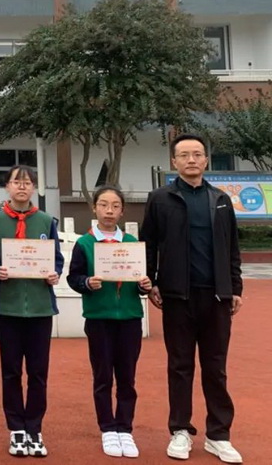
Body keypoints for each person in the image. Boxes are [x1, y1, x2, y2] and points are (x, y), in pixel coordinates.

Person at [141, 133, 243, 464]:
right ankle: (180, 431)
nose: (191, 160)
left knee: (216, 367)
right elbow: (148, 243)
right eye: (184, 155)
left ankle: (218, 435)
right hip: (177, 297)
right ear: (174, 161)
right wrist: (151, 281)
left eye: (197, 154)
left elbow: (232, 247)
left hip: (216, 297)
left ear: (206, 159)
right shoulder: (160, 199)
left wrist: (235, 287)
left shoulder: (221, 199)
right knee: (180, 366)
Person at [0, 165, 63, 458]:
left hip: (40, 308)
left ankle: (35, 428)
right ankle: (16, 428)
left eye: (27, 182)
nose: (22, 187)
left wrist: (54, 273)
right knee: (11, 371)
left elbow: (56, 258)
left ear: (33, 188)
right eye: (16, 182)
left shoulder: (45, 221)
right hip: (8, 307)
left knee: (39, 373)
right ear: (7, 186)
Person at [66, 185, 152, 458]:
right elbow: (74, 277)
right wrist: (86, 283)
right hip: (99, 318)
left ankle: (125, 429)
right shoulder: (85, 243)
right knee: (103, 376)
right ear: (94, 208)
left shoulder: (132, 244)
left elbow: (141, 278)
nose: (109, 211)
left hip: (129, 318)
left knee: (127, 377)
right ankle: (107, 429)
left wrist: (145, 285)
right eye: (103, 205)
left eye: (115, 206)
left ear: (122, 211)